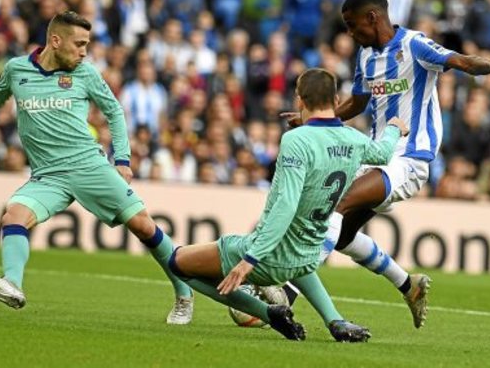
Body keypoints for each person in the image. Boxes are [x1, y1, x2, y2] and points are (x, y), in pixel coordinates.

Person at [279, 0, 490, 328]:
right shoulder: (365, 57)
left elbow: (462, 61)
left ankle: (285, 293)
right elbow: (356, 104)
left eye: (353, 25)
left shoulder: (414, 45)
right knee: (342, 236)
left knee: (338, 201)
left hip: (410, 159)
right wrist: (312, 119)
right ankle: (408, 285)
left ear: (373, 17)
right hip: (378, 154)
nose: (350, 33)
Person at [168, 67, 409, 341]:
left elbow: (286, 204)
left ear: (300, 100)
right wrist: (394, 128)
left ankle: (268, 312)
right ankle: (336, 320)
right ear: (336, 100)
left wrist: (250, 259)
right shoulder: (354, 139)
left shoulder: (295, 140)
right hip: (308, 256)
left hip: (268, 257)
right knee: (295, 250)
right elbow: (383, 153)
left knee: (177, 262)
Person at [0, 11, 194, 324]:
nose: (85, 51)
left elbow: (114, 111)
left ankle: (184, 292)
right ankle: (12, 284)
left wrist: (122, 159)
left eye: (87, 44)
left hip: (88, 166)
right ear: (55, 41)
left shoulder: (85, 73)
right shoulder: (17, 69)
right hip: (47, 175)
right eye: (79, 44)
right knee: (13, 215)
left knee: (143, 226)